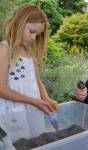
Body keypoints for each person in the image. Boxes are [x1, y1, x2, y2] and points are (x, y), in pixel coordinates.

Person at [0, 4, 58, 139]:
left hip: (33, 111)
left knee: (35, 142)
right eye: (31, 31)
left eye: (37, 35)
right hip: (12, 114)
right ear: (20, 22)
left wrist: (47, 99)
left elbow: (37, 81)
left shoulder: (29, 52)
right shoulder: (4, 49)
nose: (33, 38)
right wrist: (33, 101)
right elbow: (1, 88)